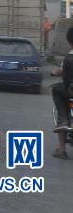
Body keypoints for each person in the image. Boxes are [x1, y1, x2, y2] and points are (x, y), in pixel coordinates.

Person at [49, 26, 73, 160]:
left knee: (55, 90)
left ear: (69, 41)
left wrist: (54, 72)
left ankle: (62, 149)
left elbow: (60, 71)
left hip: (70, 91)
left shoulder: (69, 56)